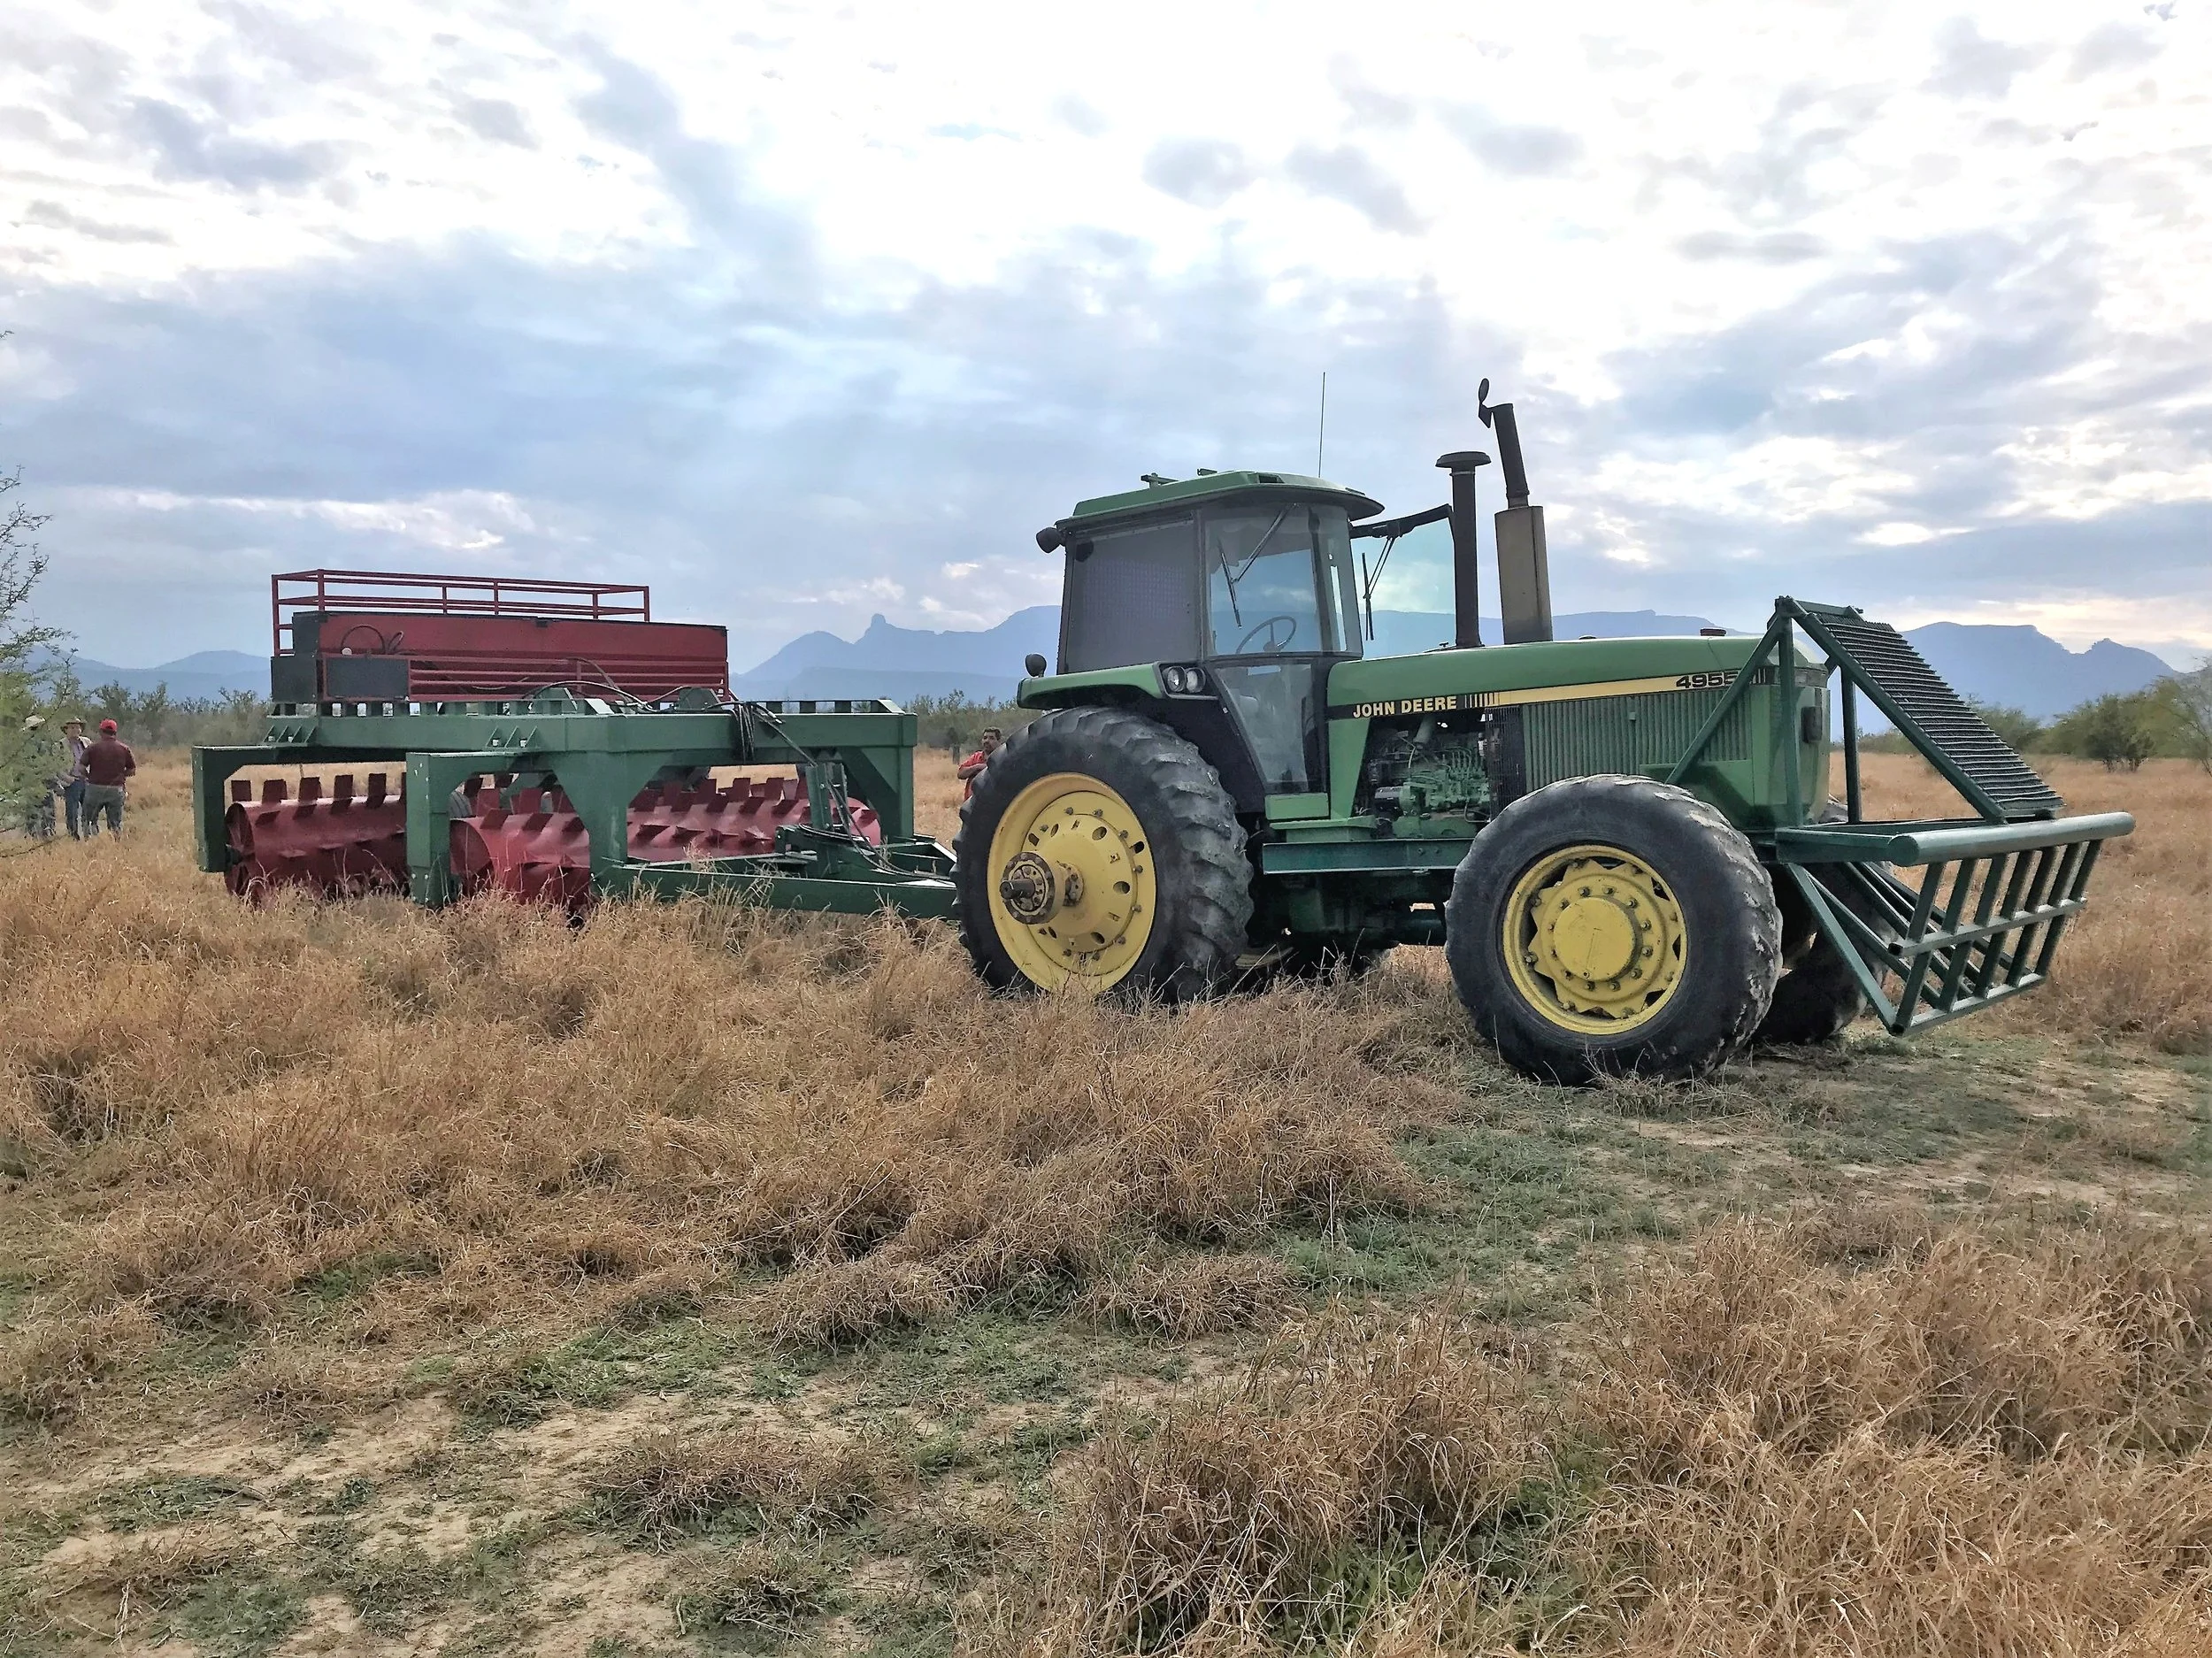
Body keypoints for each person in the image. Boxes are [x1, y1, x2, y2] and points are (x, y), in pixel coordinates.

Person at [80, 718, 136, 837]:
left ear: (101, 732)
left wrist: (89, 777)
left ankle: (90, 842)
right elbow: (132, 770)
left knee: (89, 820)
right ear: (115, 732)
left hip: (94, 788)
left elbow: (81, 768)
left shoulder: (92, 748)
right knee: (115, 822)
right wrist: (121, 775)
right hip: (116, 790)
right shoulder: (124, 749)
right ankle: (114, 845)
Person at [59, 718, 89, 839]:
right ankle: (73, 836)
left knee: (88, 810)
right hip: (72, 781)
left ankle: (88, 834)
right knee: (72, 811)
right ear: (66, 730)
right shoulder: (61, 745)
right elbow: (56, 766)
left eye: (77, 727)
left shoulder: (87, 742)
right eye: (72, 727)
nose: (75, 730)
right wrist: (68, 779)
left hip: (86, 780)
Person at [956, 726, 1003, 801]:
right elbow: (960, 774)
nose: (987, 741)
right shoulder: (976, 757)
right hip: (972, 804)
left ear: (999, 741)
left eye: (991, 738)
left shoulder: (1003, 758)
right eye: (985, 738)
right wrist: (977, 767)